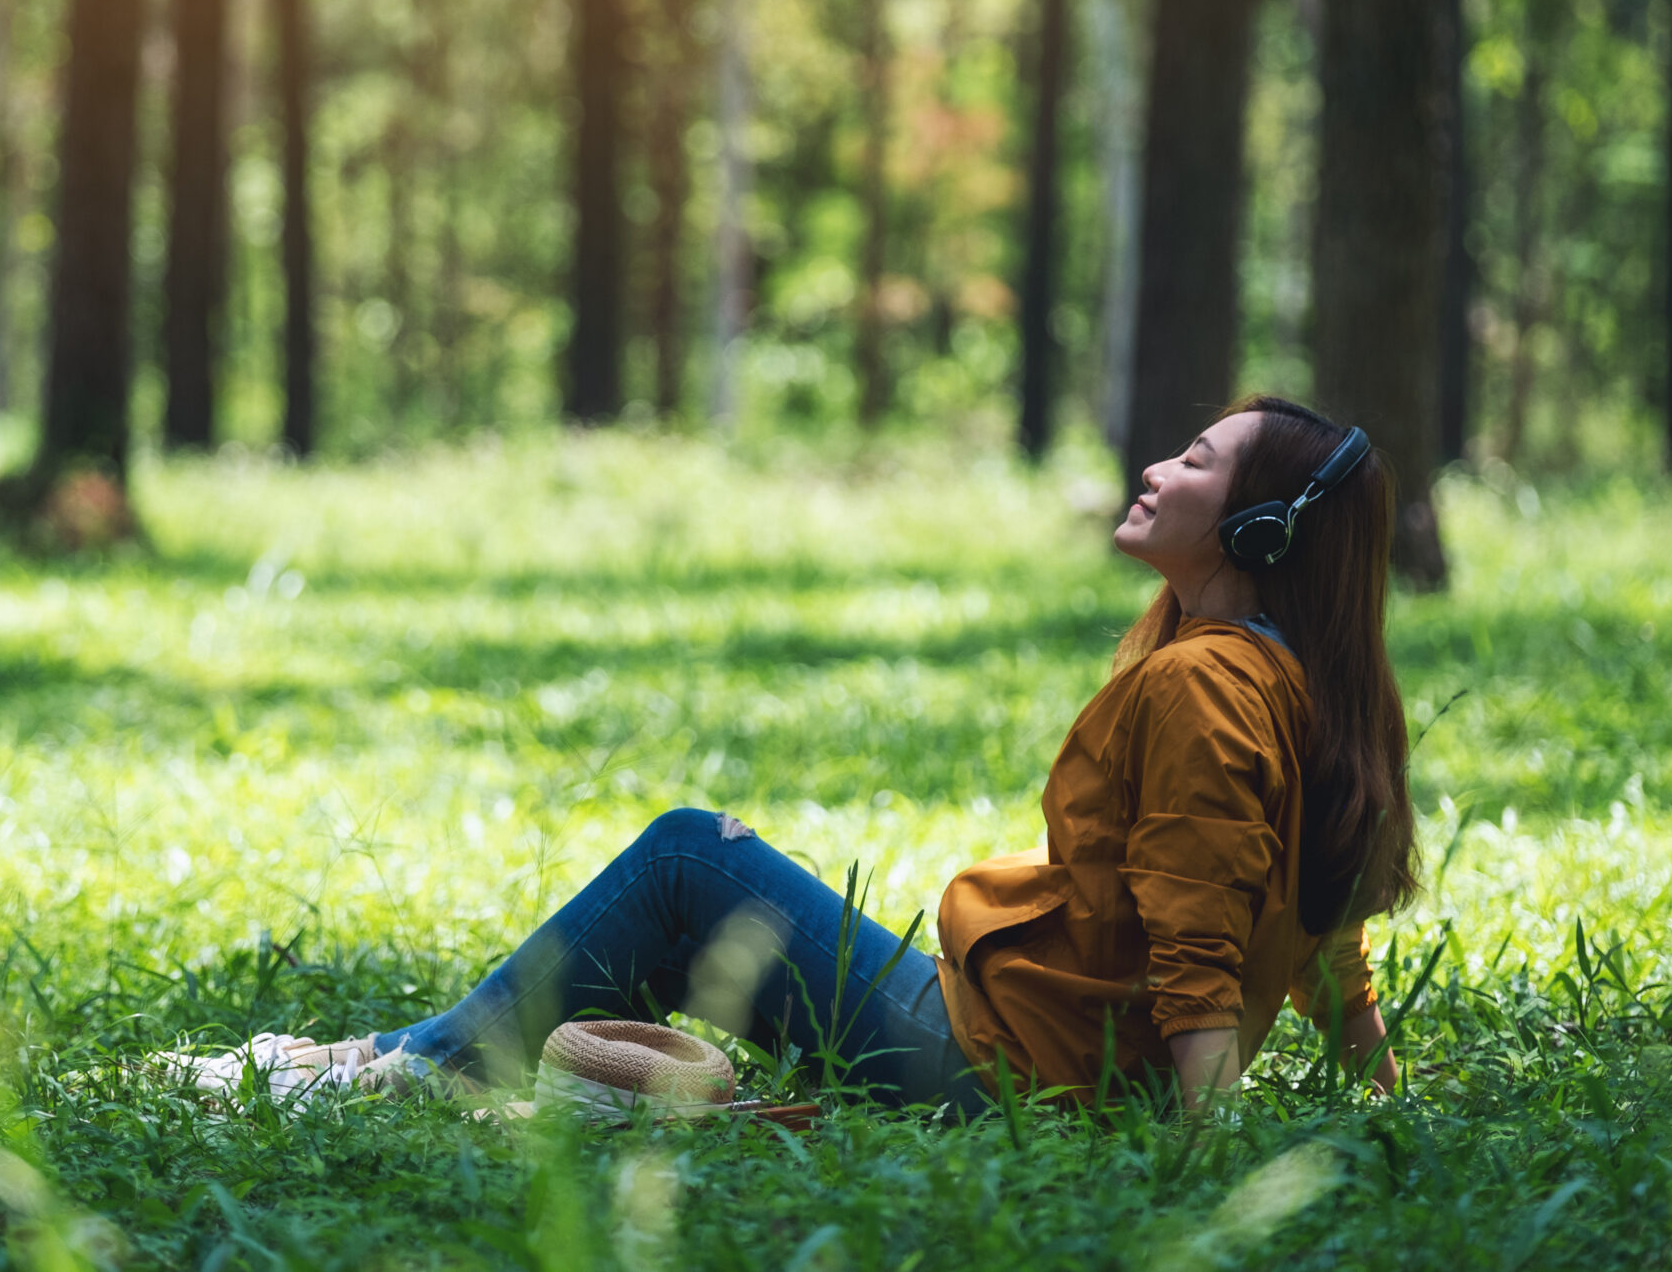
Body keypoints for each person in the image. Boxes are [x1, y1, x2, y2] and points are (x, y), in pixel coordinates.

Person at [165, 395, 1417, 1115]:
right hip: (1024, 1046)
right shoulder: (1291, 684)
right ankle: (388, 1058)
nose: (1156, 466)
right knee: (696, 872)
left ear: (1260, 526)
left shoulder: (1208, 687)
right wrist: (1381, 1096)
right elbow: (1321, 925)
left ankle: (385, 1074)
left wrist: (1185, 1167)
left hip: (1000, 1071)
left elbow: (1203, 934)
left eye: (1195, 461)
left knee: (685, 858)